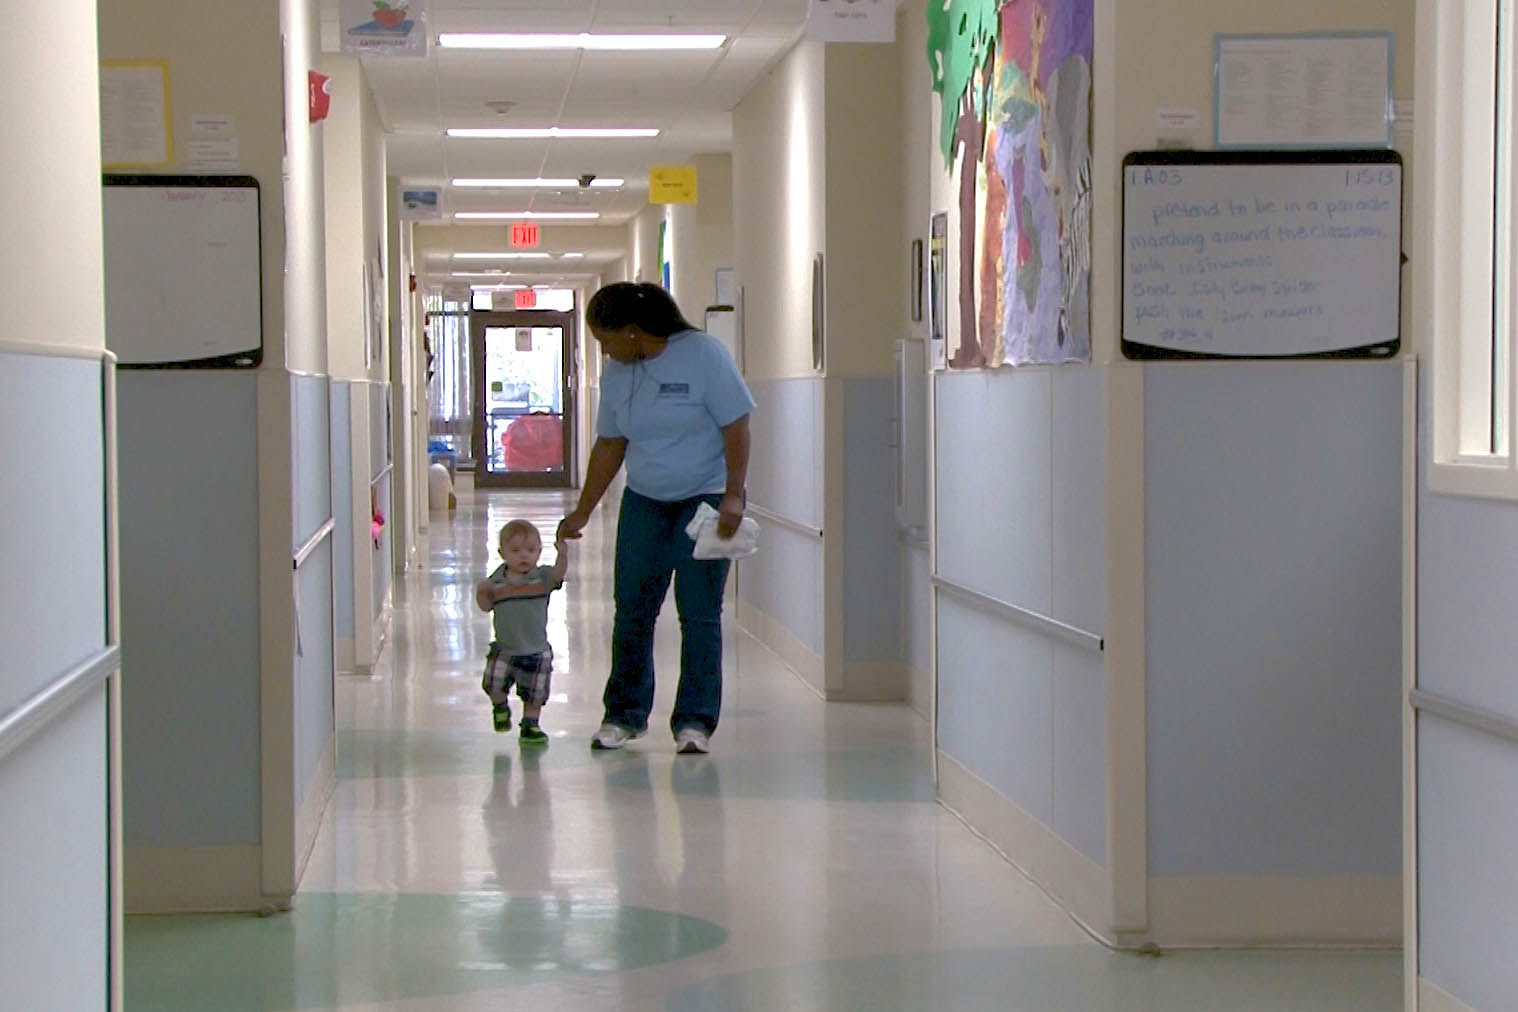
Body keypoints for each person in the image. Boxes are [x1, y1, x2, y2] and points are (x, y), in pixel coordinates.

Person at [557, 282, 754, 755]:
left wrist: (733, 495)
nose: (603, 349)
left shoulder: (704, 355)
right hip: (644, 500)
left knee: (700, 613)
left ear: (632, 331)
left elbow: (737, 425)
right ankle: (623, 715)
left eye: (606, 339)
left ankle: (695, 722)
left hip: (703, 501)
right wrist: (583, 509)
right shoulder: (618, 374)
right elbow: (610, 444)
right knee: (632, 610)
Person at [474, 519, 568, 745]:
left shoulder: (542, 578)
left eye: (530, 550)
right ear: (502, 553)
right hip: (505, 648)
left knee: (535, 692)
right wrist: (482, 592)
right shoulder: (496, 583)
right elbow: (485, 607)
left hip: (536, 649)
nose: (523, 556)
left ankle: (530, 725)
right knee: (493, 684)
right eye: (515, 551)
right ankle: (500, 707)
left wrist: (562, 554)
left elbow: (558, 574)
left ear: (538, 552)